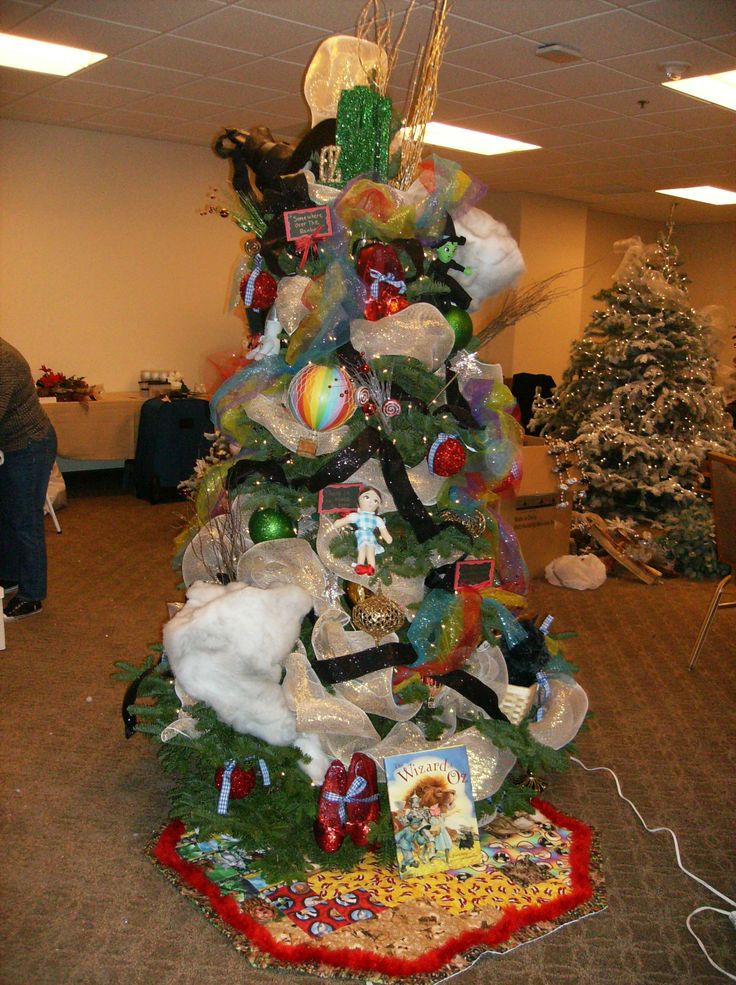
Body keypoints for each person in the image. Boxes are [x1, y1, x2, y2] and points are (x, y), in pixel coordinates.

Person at [0, 338, 57, 619]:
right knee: (7, 514)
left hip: (30, 445)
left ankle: (32, 596)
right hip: (10, 445)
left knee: (25, 520)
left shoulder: (4, 361)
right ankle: (10, 576)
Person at [332, 486, 392, 577]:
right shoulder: (356, 516)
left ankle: (371, 567)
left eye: (375, 501)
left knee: (370, 550)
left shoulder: (377, 519)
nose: (371, 502)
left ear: (378, 505)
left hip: (370, 536)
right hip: (361, 535)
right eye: (367, 497)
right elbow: (345, 520)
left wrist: (388, 538)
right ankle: (360, 565)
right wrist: (338, 523)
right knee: (362, 549)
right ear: (359, 499)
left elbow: (383, 530)